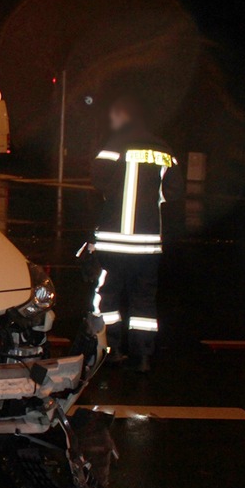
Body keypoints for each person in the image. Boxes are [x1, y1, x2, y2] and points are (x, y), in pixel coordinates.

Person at [88, 96, 182, 373]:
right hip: (147, 244)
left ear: (123, 117)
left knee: (108, 297)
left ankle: (111, 350)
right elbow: (173, 193)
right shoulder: (164, 150)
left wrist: (114, 194)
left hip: (113, 242)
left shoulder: (113, 146)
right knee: (143, 301)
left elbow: (98, 179)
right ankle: (143, 357)